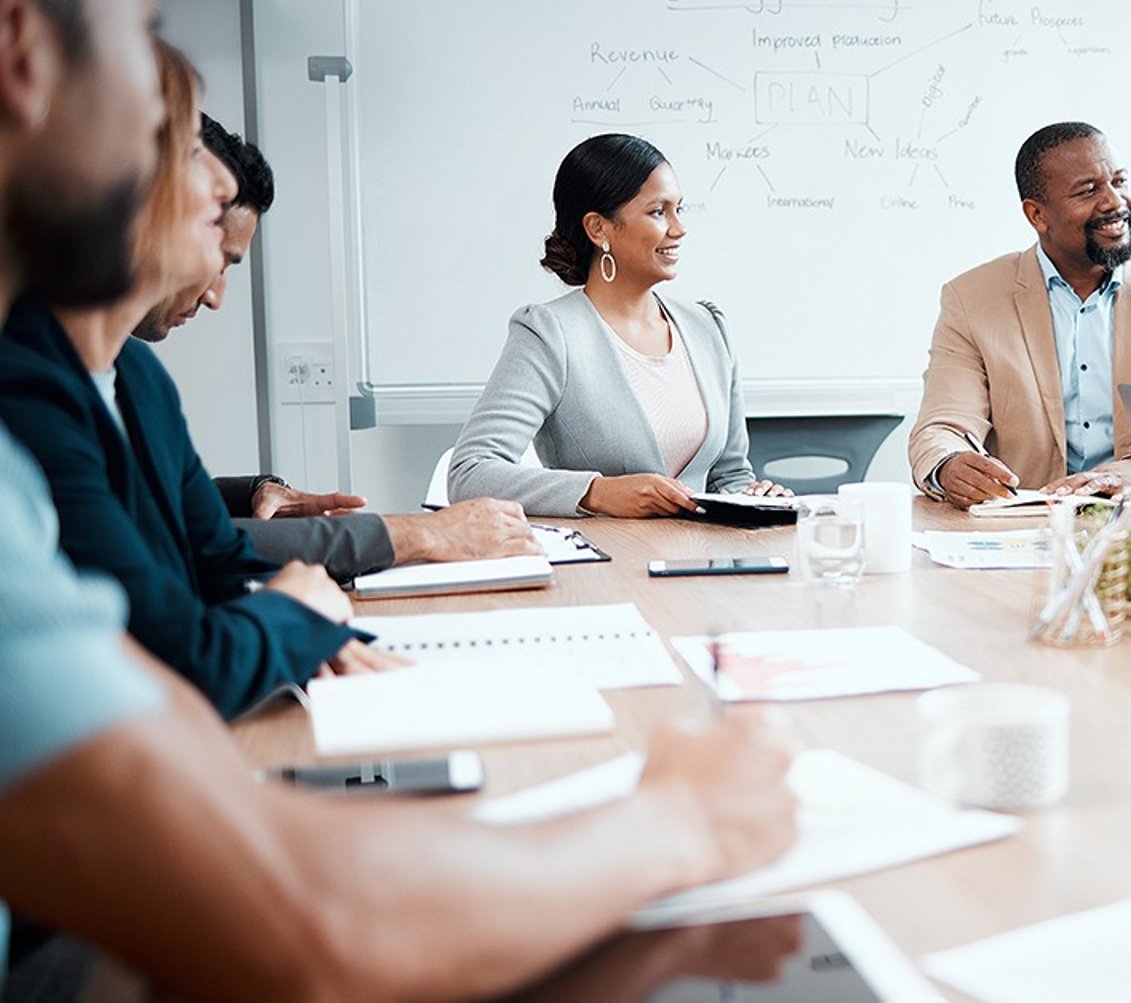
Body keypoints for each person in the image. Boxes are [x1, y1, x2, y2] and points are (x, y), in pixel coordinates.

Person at [0, 10, 798, 998]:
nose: (216, 179)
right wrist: (685, 817)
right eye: (148, 44)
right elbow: (304, 919)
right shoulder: (25, 397)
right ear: (21, 49)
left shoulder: (129, 387)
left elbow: (187, 642)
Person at [0, 41, 389, 719]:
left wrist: (307, 618)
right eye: (186, 149)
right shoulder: (25, 388)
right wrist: (300, 611)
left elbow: (224, 564)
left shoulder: (140, 376)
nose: (222, 181)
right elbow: (186, 655)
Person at [134, 113, 539, 582]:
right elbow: (182, 541)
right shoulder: (55, 376)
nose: (215, 296)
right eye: (215, 259)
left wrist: (254, 493)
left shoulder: (136, 372)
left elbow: (162, 500)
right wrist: (420, 534)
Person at [449, 132, 787, 518]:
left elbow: (729, 476)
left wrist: (756, 495)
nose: (679, 229)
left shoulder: (708, 327)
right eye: (659, 212)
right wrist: (597, 491)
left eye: (679, 209)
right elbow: (470, 472)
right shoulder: (549, 333)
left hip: (701, 566)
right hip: (606, 568)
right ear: (599, 229)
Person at [908, 121, 1131, 508]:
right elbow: (942, 426)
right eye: (1088, 190)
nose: (1114, 201)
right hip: (1025, 529)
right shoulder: (971, 299)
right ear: (1037, 215)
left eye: (1119, 182)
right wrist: (949, 465)